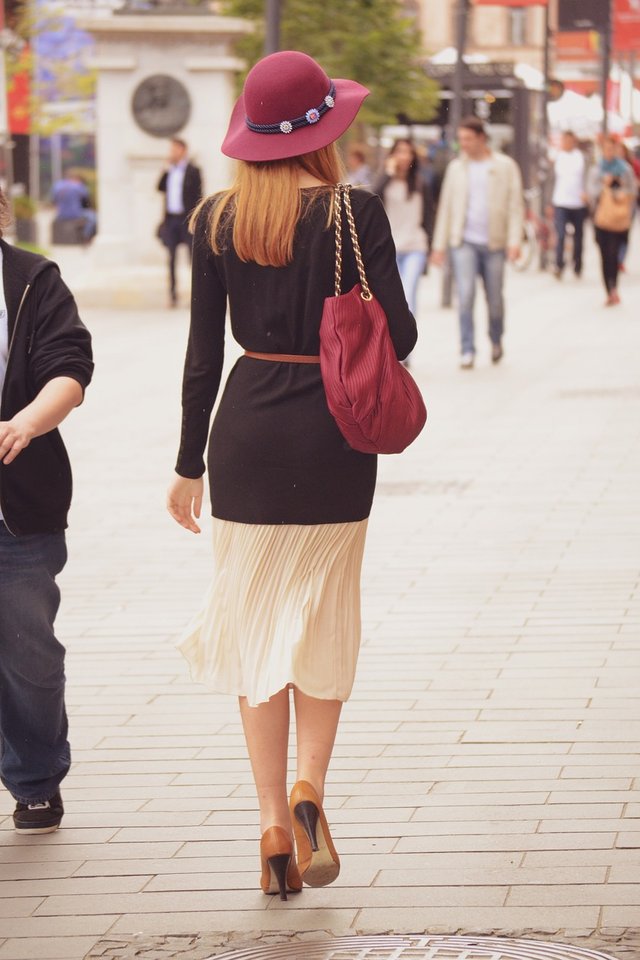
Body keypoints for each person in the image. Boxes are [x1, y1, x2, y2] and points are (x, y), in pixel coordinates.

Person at [167, 51, 417, 899]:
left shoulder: (215, 219)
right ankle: (313, 787)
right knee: (322, 625)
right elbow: (404, 337)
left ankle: (273, 821)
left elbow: (203, 356)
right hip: (334, 444)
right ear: (323, 131)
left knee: (254, 637)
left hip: (242, 439)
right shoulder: (357, 212)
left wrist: (183, 466)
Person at [0, 186, 94, 834]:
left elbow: (70, 368)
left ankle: (35, 778)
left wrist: (26, 422)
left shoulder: (32, 279)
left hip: (19, 504)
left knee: (27, 652)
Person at [431, 116, 523, 370]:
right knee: (466, 295)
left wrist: (515, 242)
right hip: (464, 242)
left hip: (494, 244)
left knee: (494, 299)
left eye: (468, 139)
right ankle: (467, 349)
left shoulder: (505, 166)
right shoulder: (456, 168)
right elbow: (446, 208)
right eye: (461, 139)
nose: (464, 144)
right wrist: (439, 246)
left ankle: (496, 339)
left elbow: (516, 207)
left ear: (482, 138)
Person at [373, 139, 433, 333]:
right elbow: (372, 199)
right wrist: (388, 173)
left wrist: (432, 246)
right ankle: (393, 340)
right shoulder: (385, 182)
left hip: (415, 245)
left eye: (407, 152)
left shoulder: (419, 183)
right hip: (390, 248)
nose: (403, 156)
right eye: (399, 151)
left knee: (409, 292)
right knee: (389, 296)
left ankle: (407, 343)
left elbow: (429, 216)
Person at [587, 135, 636, 306]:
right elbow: (591, 192)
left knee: (614, 254)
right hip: (601, 219)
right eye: (606, 149)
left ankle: (614, 287)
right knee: (604, 254)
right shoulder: (597, 169)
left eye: (611, 148)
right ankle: (608, 289)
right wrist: (604, 186)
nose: (608, 152)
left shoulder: (625, 170)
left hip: (619, 219)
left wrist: (617, 187)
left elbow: (632, 192)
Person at [157, 138, 203, 307]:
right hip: (171, 220)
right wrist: (165, 169)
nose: (172, 153)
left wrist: (196, 220)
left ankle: (196, 295)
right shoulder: (170, 171)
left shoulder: (193, 171)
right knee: (171, 259)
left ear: (183, 150)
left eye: (175, 149)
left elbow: (199, 196)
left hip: (187, 219)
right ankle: (173, 295)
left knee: (193, 259)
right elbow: (159, 188)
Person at [550, 131, 588, 279]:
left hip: (578, 203)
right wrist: (549, 202)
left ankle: (577, 265)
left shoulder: (581, 157)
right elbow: (551, 181)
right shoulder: (557, 157)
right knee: (560, 235)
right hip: (561, 201)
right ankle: (559, 264)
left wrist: (586, 193)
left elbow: (587, 176)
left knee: (578, 236)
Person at [51, 171, 97, 242]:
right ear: (77, 179)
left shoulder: (57, 186)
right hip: (75, 214)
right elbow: (86, 199)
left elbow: (54, 200)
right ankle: (86, 236)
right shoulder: (78, 186)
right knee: (94, 218)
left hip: (60, 214)